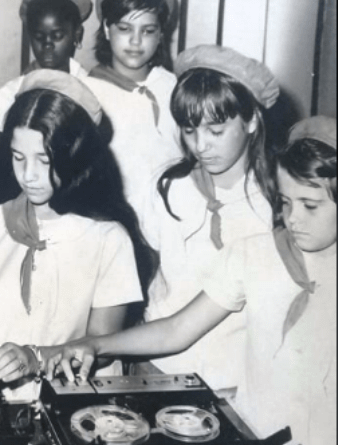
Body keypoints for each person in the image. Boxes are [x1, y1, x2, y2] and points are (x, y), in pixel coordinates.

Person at [43, 116, 337, 445]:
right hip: (256, 433)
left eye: (310, 206)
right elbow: (177, 329)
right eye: (285, 202)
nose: (293, 218)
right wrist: (95, 344)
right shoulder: (255, 255)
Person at [0, 69, 156, 401]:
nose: (28, 175)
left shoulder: (108, 238)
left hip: (73, 404)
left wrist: (34, 357)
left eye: (44, 159)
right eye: (18, 157)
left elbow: (102, 344)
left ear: (75, 155)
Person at [133, 44, 279, 393]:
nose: (200, 145)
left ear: (252, 120)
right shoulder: (167, 187)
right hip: (157, 368)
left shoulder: (275, 202)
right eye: (188, 129)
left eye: (216, 131)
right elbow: (150, 265)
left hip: (233, 379)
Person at [0, 0, 93, 206]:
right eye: (39, 37)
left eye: (57, 36)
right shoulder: (7, 96)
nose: (47, 45)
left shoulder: (93, 92)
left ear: (77, 35)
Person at [83, 0, 181, 210]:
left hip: (170, 212)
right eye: (125, 29)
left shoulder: (172, 86)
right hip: (114, 214)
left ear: (161, 35)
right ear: (107, 30)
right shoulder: (88, 92)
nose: (136, 41)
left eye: (147, 31)